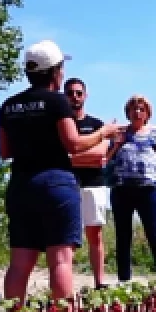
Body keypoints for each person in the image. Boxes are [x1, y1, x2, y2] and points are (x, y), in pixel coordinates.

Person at [0, 40, 122, 300]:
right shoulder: (56, 102)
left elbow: (5, 151)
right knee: (61, 260)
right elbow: (74, 144)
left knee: (20, 262)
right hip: (55, 182)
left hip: (20, 184)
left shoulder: (9, 105)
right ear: (55, 71)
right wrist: (103, 133)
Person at [108, 94, 156, 282]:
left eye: (141, 109)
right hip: (122, 189)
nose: (137, 112)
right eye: (133, 109)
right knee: (123, 235)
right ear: (128, 112)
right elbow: (106, 159)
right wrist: (116, 143)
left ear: (148, 113)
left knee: (155, 234)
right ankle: (124, 279)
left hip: (147, 190)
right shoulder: (120, 133)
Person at [65, 78, 110, 289]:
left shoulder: (97, 125)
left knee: (95, 234)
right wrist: (86, 155)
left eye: (78, 93)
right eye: (71, 93)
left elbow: (101, 153)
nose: (75, 97)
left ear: (85, 95)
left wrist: (73, 155)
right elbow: (59, 156)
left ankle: (99, 281)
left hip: (94, 184)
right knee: (67, 238)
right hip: (68, 184)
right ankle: (66, 284)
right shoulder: (61, 125)